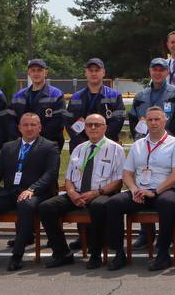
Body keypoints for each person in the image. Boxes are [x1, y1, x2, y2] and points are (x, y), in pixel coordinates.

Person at [0, 113, 60, 271]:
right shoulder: (8, 147)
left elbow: (50, 174)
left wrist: (32, 189)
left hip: (37, 194)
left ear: (40, 127)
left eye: (33, 125)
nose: (29, 128)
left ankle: (17, 255)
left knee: (25, 204)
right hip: (10, 192)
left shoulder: (50, 147)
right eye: (25, 125)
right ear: (19, 127)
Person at [38, 114, 125, 269]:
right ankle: (62, 253)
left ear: (105, 127)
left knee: (98, 206)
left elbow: (118, 180)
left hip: (102, 193)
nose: (93, 128)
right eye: (89, 124)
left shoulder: (115, 149)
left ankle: (95, 254)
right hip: (76, 193)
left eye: (97, 125)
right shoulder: (79, 148)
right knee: (46, 207)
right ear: (84, 128)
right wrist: (71, 192)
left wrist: (96, 193)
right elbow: (69, 177)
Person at [106, 106, 175, 271]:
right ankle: (119, 253)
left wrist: (155, 191)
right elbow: (127, 174)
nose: (153, 123)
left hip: (165, 190)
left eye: (157, 119)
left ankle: (163, 254)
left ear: (165, 121)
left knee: (167, 203)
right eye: (150, 120)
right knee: (113, 203)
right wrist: (134, 189)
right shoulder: (138, 145)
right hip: (140, 191)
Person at [63, 58, 125, 152]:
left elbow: (117, 122)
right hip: (80, 146)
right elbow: (68, 122)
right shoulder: (76, 97)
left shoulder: (114, 96)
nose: (93, 73)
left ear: (103, 73)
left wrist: (99, 141)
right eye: (91, 70)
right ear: (85, 73)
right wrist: (84, 143)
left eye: (97, 70)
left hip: (107, 146)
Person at [130, 58, 175, 142]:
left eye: (161, 70)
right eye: (155, 70)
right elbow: (133, 121)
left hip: (168, 144)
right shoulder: (140, 96)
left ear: (167, 72)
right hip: (144, 143)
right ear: (150, 71)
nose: (158, 73)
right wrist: (139, 140)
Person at [10, 59, 66, 148]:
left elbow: (58, 122)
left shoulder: (56, 94)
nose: (36, 73)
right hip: (22, 145)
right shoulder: (18, 96)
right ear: (28, 73)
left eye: (40, 70)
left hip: (48, 145)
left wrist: (35, 139)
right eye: (33, 70)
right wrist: (22, 139)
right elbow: (11, 121)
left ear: (46, 73)